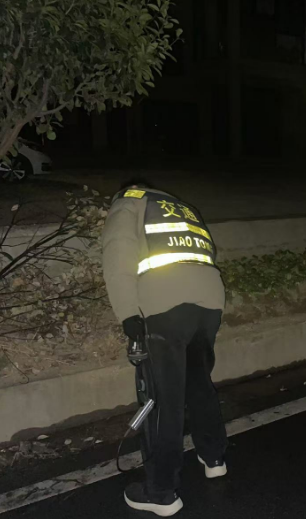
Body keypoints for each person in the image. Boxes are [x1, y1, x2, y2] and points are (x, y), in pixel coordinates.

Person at [102, 180, 228, 516]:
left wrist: (128, 315)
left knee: (162, 400)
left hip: (164, 306)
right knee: (199, 383)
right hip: (209, 303)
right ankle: (214, 458)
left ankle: (161, 493)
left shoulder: (128, 202)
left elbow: (118, 257)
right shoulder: (183, 208)